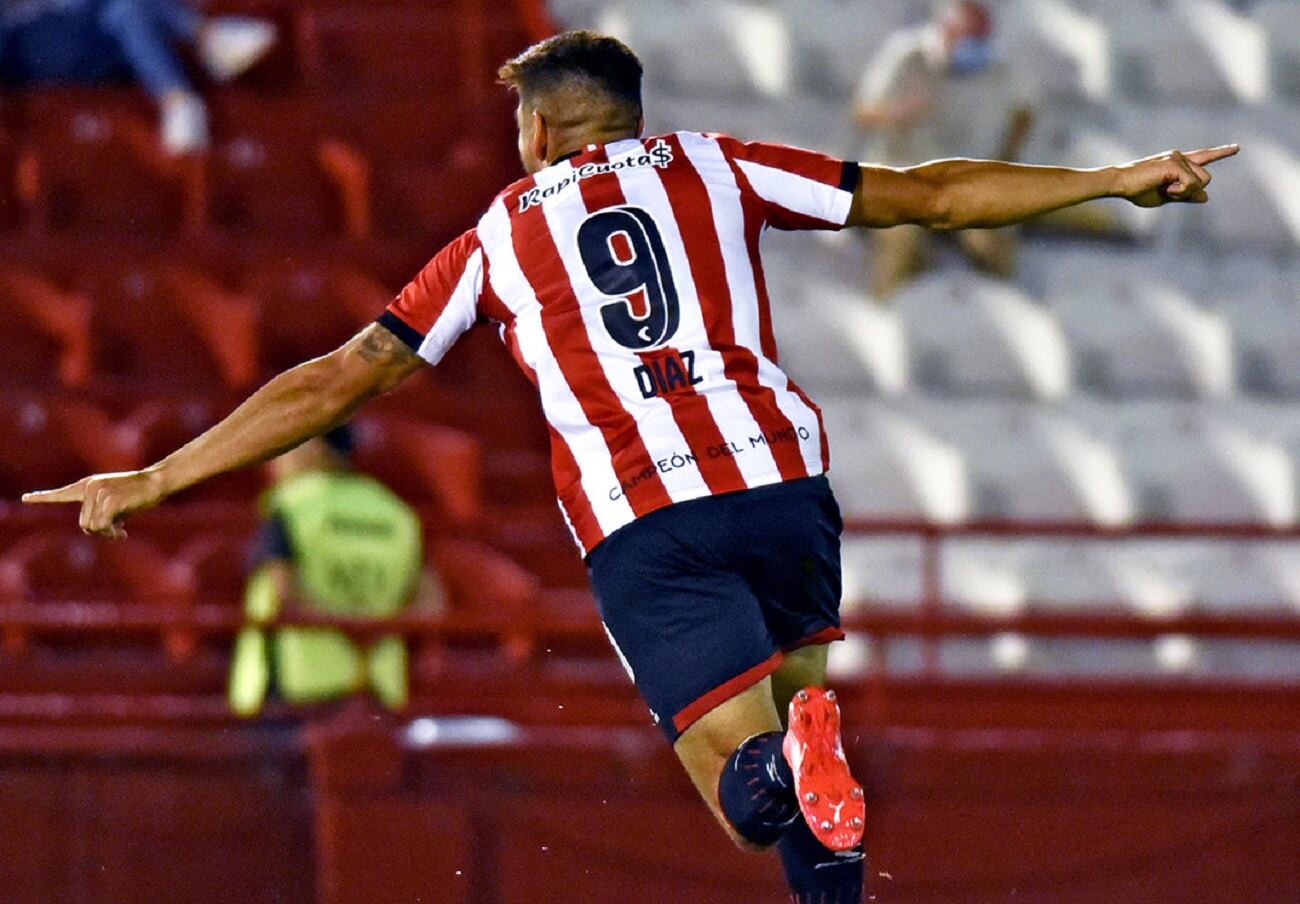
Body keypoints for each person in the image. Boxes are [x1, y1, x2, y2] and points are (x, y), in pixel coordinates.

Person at [25, 29, 1238, 904]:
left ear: (536, 129)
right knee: (820, 791)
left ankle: (781, 756)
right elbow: (928, 195)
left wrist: (156, 479)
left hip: (649, 516)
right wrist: (1112, 178)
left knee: (750, 796)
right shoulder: (718, 164)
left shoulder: (499, 233)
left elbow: (343, 373)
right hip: (781, 485)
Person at [227, 424, 446, 718]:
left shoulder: (293, 506)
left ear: (314, 446)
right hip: (377, 692)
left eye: (282, 448)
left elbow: (284, 593)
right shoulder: (395, 512)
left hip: (297, 694)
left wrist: (340, 629)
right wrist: (375, 631)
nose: (273, 460)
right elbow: (431, 602)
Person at [853, 1, 1035, 298]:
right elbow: (862, 112)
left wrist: (1006, 156)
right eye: (969, 37)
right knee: (903, 244)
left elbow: (1024, 111)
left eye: (981, 38)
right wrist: (898, 113)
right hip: (903, 176)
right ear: (947, 31)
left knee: (997, 243)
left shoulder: (997, 68)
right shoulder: (907, 55)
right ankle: (888, 321)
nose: (975, 46)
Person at [0, 0, 276, 155]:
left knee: (127, 9)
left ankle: (179, 101)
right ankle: (208, 37)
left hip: (89, 41)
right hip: (32, 53)